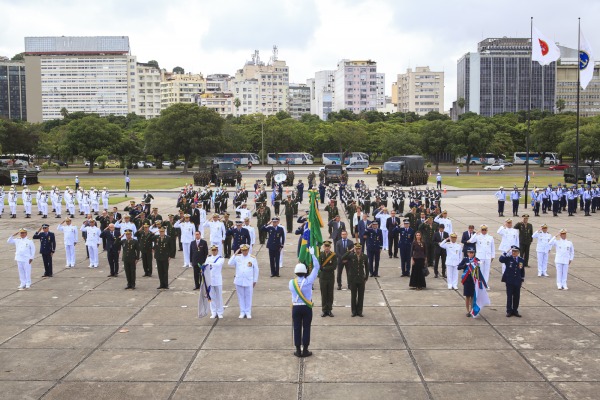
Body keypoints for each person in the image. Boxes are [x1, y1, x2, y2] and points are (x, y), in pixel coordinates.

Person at [290, 248, 320, 357]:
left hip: (296, 307)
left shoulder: (291, 282)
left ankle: (298, 350)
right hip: (307, 307)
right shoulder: (309, 281)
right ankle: (306, 349)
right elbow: (317, 267)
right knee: (306, 327)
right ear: (305, 272)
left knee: (297, 327)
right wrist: (312, 255)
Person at [228, 244, 259, 318]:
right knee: (241, 296)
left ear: (248, 250)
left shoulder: (252, 258)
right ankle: (242, 311)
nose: (244, 252)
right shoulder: (237, 257)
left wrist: (255, 280)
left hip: (249, 280)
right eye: (243, 250)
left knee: (248, 296)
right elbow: (229, 263)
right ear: (241, 250)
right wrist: (235, 254)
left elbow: (256, 270)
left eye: (246, 250)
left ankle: (248, 312)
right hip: (239, 280)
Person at [341, 243, 369, 317]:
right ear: (355, 249)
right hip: (353, 279)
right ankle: (353, 311)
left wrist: (366, 277)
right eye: (356, 249)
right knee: (353, 296)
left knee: (361, 296)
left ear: (361, 249)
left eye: (359, 249)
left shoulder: (364, 257)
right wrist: (350, 251)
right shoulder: (351, 256)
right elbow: (342, 258)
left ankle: (359, 311)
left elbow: (367, 267)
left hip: (361, 279)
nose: (358, 250)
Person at [499, 246, 525, 317]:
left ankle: (515, 310)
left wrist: (522, 279)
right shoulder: (508, 258)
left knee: (517, 296)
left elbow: (522, 270)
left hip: (517, 281)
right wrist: (506, 251)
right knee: (509, 296)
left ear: (518, 252)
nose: (513, 253)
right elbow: (501, 259)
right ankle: (509, 311)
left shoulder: (521, 260)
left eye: (515, 251)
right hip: (509, 280)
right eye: (513, 251)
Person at [457, 249, 478, 317]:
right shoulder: (465, 260)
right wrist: (464, 266)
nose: (471, 254)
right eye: (470, 253)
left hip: (473, 280)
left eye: (472, 253)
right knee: (467, 296)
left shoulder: (476, 260)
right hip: (467, 280)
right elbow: (458, 267)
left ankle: (472, 310)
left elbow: (478, 270)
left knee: (472, 296)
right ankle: (468, 310)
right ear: (467, 253)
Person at [318, 241, 337, 317]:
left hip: (330, 277)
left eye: (328, 246)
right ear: (323, 247)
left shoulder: (333, 255)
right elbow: (319, 265)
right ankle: (324, 310)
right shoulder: (321, 254)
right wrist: (323, 268)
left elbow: (334, 266)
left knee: (330, 294)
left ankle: (329, 310)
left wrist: (325, 268)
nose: (327, 248)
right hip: (323, 277)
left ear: (330, 247)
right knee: (324, 294)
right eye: (325, 246)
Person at [206, 245, 225, 318]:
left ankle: (220, 312)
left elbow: (218, 264)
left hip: (217, 280)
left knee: (219, 297)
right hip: (210, 280)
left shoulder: (221, 258)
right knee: (211, 297)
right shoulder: (208, 258)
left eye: (215, 250)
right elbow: (205, 265)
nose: (214, 251)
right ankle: (213, 312)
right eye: (212, 250)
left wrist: (210, 264)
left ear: (217, 250)